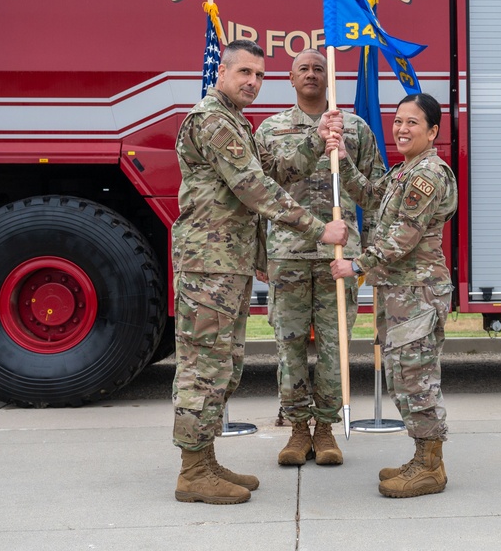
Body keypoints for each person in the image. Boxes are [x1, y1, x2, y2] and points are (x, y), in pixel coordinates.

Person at [170, 39, 348, 505]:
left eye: (259, 75)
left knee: (223, 365)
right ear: (221, 73)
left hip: (227, 263)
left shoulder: (237, 123)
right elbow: (254, 187)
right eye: (244, 72)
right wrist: (317, 228)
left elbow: (276, 167)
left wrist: (316, 137)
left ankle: (204, 460)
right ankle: (192, 471)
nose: (252, 82)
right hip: (208, 265)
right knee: (202, 367)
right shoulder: (211, 120)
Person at [254, 49, 385, 467]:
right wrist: (261, 253)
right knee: (288, 346)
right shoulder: (270, 130)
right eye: (303, 69)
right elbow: (257, 194)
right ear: (289, 79)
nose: (311, 74)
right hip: (287, 254)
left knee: (335, 348)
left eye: (318, 68)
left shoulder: (356, 128)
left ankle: (326, 429)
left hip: (339, 257)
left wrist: (373, 256)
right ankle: (296, 430)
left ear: (330, 79)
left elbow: (376, 194)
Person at [329, 92, 457, 498]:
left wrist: (357, 264)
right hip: (399, 291)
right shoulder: (404, 172)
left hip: (417, 292)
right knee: (403, 377)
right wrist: (342, 154)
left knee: (417, 379)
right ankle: (423, 456)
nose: (401, 129)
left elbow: (405, 234)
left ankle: (430, 467)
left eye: (412, 123)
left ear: (433, 131)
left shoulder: (428, 174)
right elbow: (368, 193)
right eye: (398, 121)